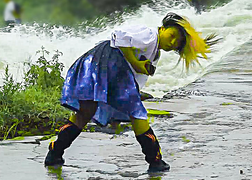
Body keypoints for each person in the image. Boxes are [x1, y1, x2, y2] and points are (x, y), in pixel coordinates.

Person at [44, 12, 219, 172]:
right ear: (163, 28)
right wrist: (135, 62)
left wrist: (135, 78)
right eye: (172, 35)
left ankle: (55, 152)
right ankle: (155, 161)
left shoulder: (154, 50)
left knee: (86, 111)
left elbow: (135, 73)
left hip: (106, 66)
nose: (172, 42)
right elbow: (118, 36)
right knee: (136, 113)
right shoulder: (150, 36)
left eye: (177, 44)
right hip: (107, 62)